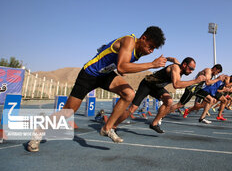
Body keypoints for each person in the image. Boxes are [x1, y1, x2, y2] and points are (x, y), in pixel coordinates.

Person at [27, 26, 166, 152]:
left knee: (129, 94)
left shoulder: (139, 52)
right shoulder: (129, 41)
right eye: (151, 46)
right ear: (143, 38)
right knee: (67, 112)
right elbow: (122, 67)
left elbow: (122, 70)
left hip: (105, 75)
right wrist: (152, 65)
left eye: (154, 49)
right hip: (89, 74)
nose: (151, 51)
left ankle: (107, 128)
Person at [112, 57, 205, 135]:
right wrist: (195, 81)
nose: (192, 71)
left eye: (193, 69)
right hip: (147, 84)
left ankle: (154, 123)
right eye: (191, 69)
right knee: (133, 108)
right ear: (184, 65)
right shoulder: (175, 68)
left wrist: (165, 58)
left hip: (157, 87)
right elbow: (176, 85)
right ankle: (113, 125)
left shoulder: (178, 64)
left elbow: (173, 58)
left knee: (169, 101)